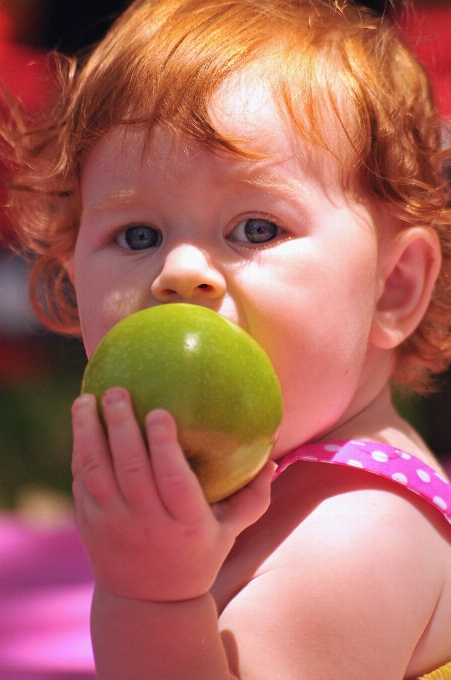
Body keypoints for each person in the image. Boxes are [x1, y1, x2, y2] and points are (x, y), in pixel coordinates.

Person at [5, 0, 451, 677]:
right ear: (72, 281)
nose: (180, 272)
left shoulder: (354, 535)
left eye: (256, 229)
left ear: (392, 288)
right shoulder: (292, 492)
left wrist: (150, 596)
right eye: (139, 236)